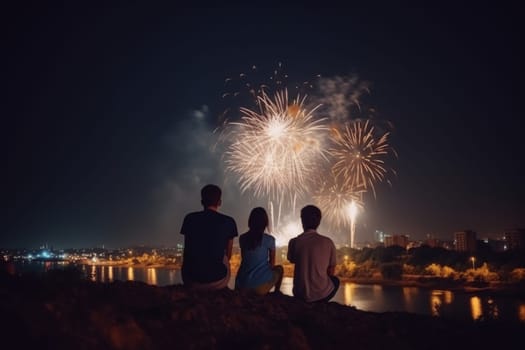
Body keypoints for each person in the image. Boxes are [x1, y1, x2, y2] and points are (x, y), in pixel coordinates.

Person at [180, 184, 238, 290]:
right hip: (218, 281)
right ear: (219, 202)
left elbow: (187, 251)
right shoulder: (229, 222)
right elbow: (228, 255)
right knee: (224, 257)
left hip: (190, 280)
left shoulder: (189, 219)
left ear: (202, 202)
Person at [287, 204, 340, 302]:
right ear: (319, 222)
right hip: (321, 295)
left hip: (299, 294)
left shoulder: (293, 242)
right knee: (335, 281)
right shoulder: (328, 242)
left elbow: (292, 259)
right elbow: (331, 270)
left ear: (302, 221)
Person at [235, 207, 283, 295]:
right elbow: (272, 264)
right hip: (260, 288)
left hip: (241, 285)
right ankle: (276, 292)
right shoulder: (270, 240)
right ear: (265, 223)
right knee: (280, 269)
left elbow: (244, 259)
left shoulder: (242, 238)